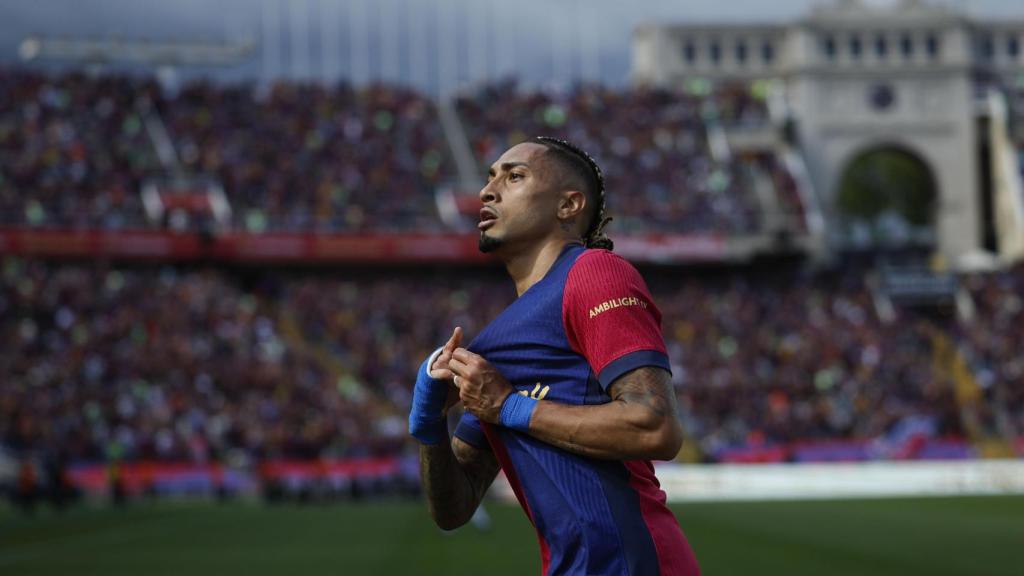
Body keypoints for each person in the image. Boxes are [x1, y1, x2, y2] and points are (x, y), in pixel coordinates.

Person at [409, 137, 700, 575]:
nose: (488, 190)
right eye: (489, 178)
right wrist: (429, 421)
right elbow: (455, 507)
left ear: (568, 205)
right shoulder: (494, 344)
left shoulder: (594, 272)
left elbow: (656, 426)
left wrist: (510, 406)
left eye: (514, 176)